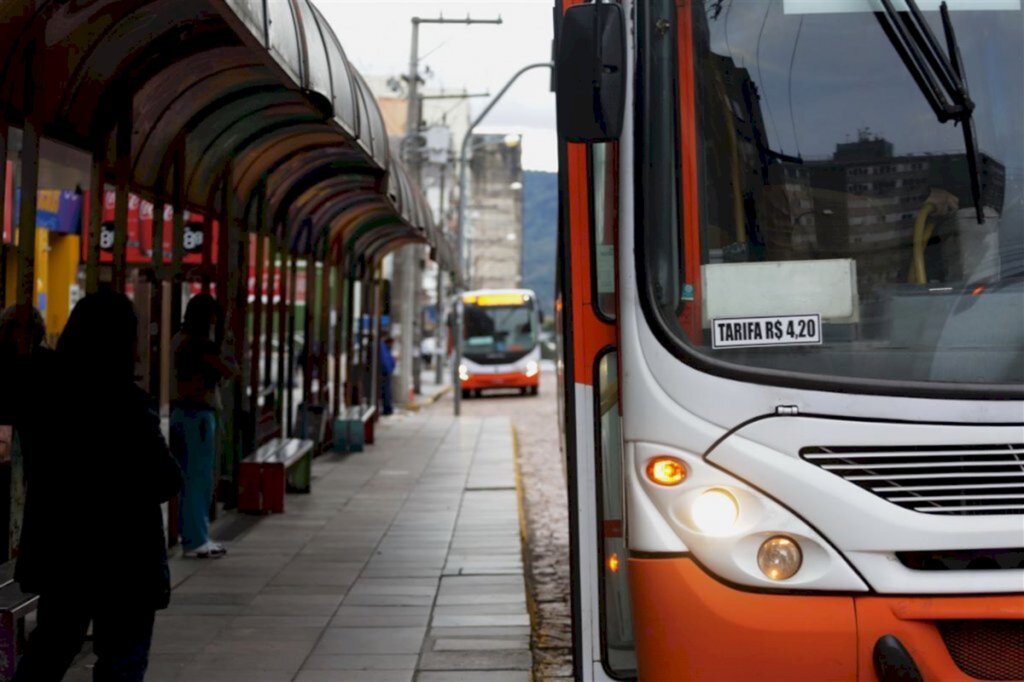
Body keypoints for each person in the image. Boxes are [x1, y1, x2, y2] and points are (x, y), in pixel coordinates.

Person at [13, 291, 182, 682]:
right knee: (122, 660)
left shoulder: (44, 395)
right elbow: (166, 478)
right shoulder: (128, 405)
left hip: (62, 553)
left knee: (51, 648)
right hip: (124, 558)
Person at [170, 294, 237, 558]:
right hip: (198, 415)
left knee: (187, 478)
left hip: (180, 414)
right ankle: (196, 539)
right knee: (199, 478)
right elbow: (230, 369)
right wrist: (227, 343)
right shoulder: (202, 345)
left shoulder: (179, 339)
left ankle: (193, 535)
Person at [380, 336, 396, 415]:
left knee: (386, 392)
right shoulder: (383, 348)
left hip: (385, 372)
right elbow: (387, 362)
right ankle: (387, 409)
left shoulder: (384, 348)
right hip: (385, 373)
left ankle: (388, 408)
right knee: (386, 392)